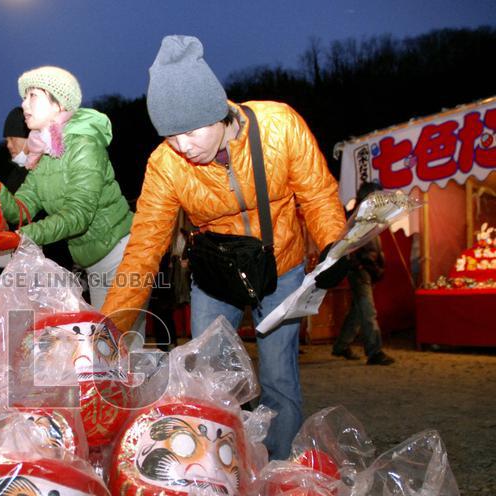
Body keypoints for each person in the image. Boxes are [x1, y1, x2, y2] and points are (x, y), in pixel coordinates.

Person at [101, 35, 348, 460]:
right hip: (215, 273)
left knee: (278, 375)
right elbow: (144, 247)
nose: (183, 146)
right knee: (207, 376)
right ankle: (221, 467)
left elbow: (318, 193)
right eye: (170, 135)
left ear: (218, 111)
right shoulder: (166, 164)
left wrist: (333, 245)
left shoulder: (280, 126)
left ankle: (278, 468)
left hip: (281, 264)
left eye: (191, 130)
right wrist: (108, 331)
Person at [0, 66, 134, 313]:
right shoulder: (44, 152)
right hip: (92, 258)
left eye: (32, 96)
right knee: (104, 333)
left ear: (58, 104)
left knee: (115, 334)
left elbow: (78, 216)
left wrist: (22, 237)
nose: (24, 104)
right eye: (24, 97)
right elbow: (23, 209)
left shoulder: (84, 145)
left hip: (120, 254)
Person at [332, 182, 395, 366]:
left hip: (367, 268)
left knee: (358, 310)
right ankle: (374, 351)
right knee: (368, 311)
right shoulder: (357, 219)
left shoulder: (369, 217)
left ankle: (341, 346)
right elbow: (348, 245)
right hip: (360, 269)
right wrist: (359, 264)